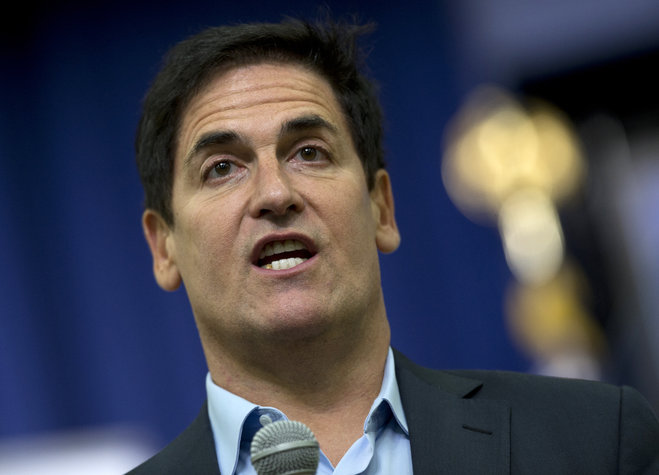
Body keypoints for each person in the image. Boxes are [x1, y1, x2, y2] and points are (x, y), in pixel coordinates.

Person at [128, 17, 659, 474]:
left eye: (309, 153)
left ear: (382, 207)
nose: (274, 193)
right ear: (164, 247)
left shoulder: (594, 439)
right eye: (222, 168)